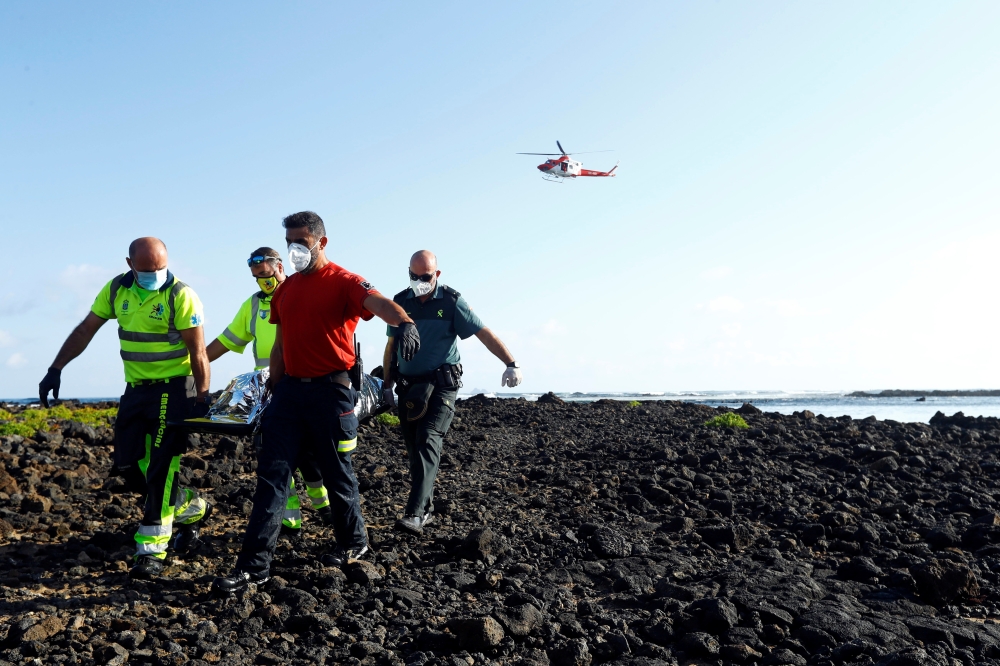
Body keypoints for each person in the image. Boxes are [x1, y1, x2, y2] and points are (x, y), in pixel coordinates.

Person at [212, 211, 420, 594]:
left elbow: (377, 301)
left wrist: (404, 321)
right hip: (288, 393)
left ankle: (353, 544)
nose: (294, 250)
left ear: (321, 242)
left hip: (332, 391)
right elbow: (279, 344)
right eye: (289, 242)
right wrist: (271, 393)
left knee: (336, 472)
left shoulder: (344, 281)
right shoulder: (287, 289)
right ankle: (253, 569)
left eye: (301, 242)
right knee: (272, 479)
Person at [38, 237, 212, 579]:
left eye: (161, 268)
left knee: (161, 468)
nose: (155, 274)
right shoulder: (118, 289)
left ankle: (151, 551)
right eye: (147, 270)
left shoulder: (181, 295)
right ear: (130, 264)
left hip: (174, 390)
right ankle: (191, 506)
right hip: (136, 390)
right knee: (129, 466)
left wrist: (202, 396)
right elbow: (86, 328)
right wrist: (55, 368)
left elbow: (199, 352)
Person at [383, 250, 522, 535]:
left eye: (426, 276)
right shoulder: (399, 302)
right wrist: (386, 385)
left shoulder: (450, 302)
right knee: (414, 451)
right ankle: (428, 508)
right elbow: (390, 348)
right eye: (414, 276)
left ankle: (415, 513)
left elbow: (483, 332)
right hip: (409, 389)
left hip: (442, 387)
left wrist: (511, 363)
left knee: (427, 441)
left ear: (437, 274)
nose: (419, 281)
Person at [206, 247, 333, 534]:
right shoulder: (253, 306)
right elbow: (225, 341)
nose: (263, 282)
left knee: (309, 455)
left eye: (265, 275)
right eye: (256, 278)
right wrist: (194, 361)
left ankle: (324, 506)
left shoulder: (300, 292)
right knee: (275, 456)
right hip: (269, 392)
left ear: (278, 267)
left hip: (306, 385)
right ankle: (289, 521)